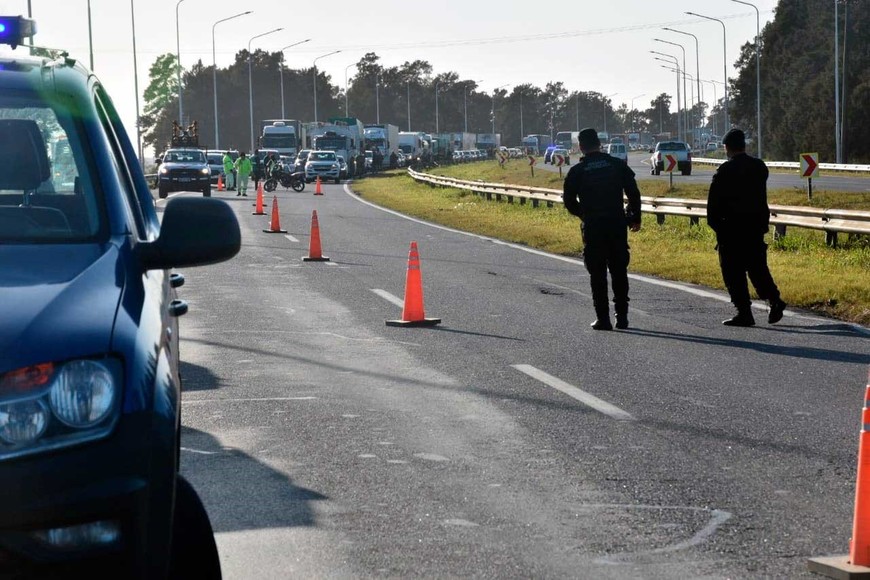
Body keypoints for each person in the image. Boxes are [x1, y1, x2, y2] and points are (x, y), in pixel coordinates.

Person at [563, 128, 642, 330]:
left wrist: (584, 214)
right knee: (619, 270)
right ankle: (622, 317)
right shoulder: (616, 165)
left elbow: (569, 200)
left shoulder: (578, 171)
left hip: (594, 226)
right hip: (616, 224)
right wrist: (635, 217)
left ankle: (603, 319)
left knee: (597, 273)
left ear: (580, 147)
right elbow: (633, 193)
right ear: (600, 143)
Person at [707, 128, 786, 327]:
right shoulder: (759, 167)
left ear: (727, 148)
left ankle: (744, 312)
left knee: (733, 274)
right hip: (755, 229)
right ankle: (774, 300)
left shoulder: (725, 171)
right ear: (744, 145)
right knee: (758, 270)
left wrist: (718, 228)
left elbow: (713, 206)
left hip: (731, 231)